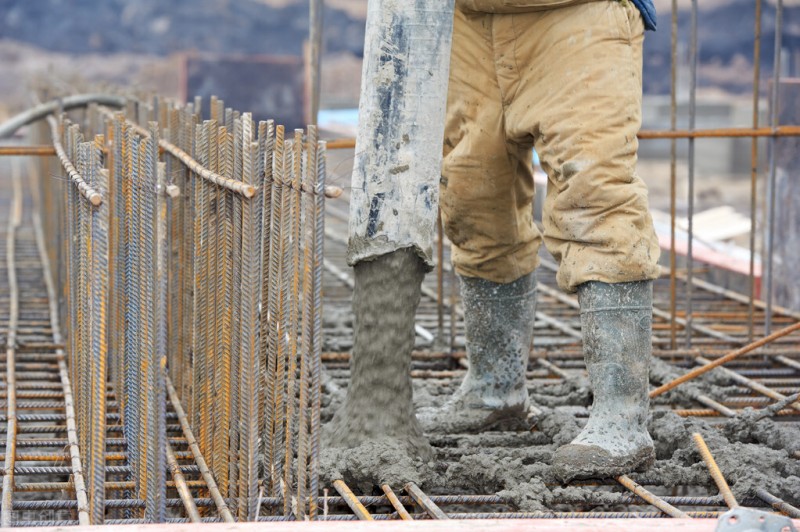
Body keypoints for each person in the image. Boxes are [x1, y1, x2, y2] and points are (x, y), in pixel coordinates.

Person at [417, 0, 661, 481]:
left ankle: (622, 417)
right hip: (466, 18)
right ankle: (495, 389)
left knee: (594, 194)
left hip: (576, 12)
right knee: (472, 197)